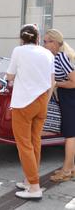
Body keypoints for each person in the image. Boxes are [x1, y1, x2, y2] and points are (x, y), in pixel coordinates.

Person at [6, 24, 55, 200]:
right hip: (42, 101)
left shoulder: (19, 51)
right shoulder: (47, 53)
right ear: (38, 38)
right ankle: (29, 180)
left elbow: (10, 76)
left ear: (21, 38)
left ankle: (34, 187)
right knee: (35, 143)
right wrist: (46, 101)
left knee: (24, 145)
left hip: (23, 103)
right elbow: (52, 81)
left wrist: (10, 77)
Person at [43, 29, 75, 182]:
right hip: (66, 97)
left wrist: (56, 84)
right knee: (70, 133)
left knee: (70, 135)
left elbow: (74, 82)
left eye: (47, 41)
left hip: (71, 98)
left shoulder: (61, 57)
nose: (44, 44)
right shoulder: (55, 57)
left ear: (55, 43)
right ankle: (72, 168)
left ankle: (66, 170)